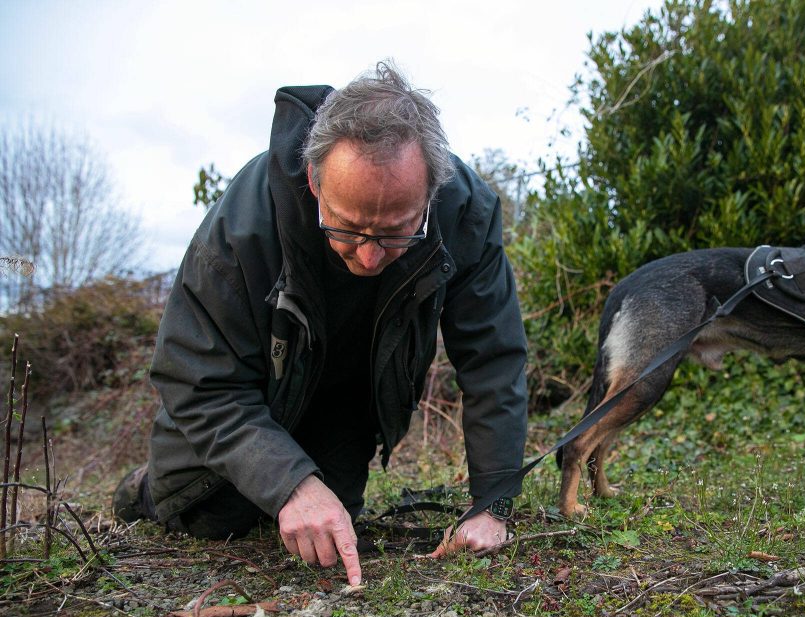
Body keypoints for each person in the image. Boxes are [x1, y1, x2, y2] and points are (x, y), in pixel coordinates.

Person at [113, 62, 529, 586]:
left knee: (333, 527)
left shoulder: (465, 212)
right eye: (349, 228)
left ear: (430, 194)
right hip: (250, 396)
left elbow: (492, 358)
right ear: (314, 181)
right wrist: (290, 483)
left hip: (347, 405)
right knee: (213, 518)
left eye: (398, 232)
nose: (372, 257)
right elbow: (197, 379)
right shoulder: (244, 226)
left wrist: (492, 503)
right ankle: (144, 489)